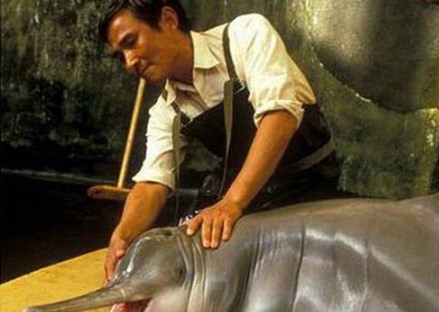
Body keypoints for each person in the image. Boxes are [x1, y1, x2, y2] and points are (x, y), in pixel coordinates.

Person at [99, 0, 337, 281]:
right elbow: (152, 182)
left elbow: (280, 118)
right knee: (188, 242)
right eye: (120, 56)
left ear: (168, 19)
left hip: (306, 180)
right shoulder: (166, 109)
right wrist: (123, 235)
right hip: (244, 189)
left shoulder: (245, 35)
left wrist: (232, 202)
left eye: (131, 42)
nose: (129, 62)